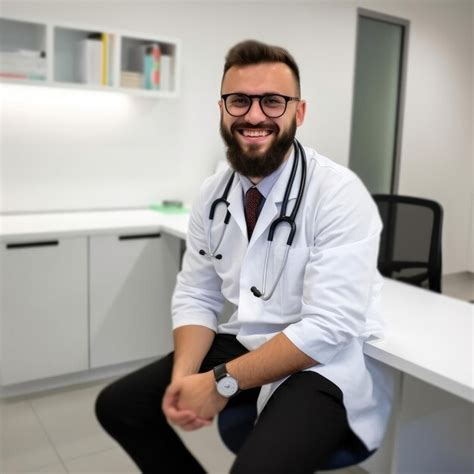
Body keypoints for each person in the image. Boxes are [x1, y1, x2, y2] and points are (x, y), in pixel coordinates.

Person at [95, 39, 393, 473]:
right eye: (239, 101)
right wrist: (185, 378)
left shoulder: (338, 193)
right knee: (119, 406)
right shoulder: (213, 192)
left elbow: (329, 327)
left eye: (272, 101)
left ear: (299, 112)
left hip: (323, 361)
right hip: (249, 338)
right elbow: (197, 294)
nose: (254, 115)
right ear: (222, 109)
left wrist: (222, 382)